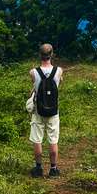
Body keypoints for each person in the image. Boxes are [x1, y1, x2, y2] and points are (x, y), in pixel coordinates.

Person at [28, 42, 63, 178]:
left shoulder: (33, 72)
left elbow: (34, 87)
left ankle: (38, 169)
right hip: (53, 111)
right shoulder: (59, 71)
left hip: (38, 111)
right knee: (53, 140)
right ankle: (53, 169)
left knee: (37, 140)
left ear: (40, 55)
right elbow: (60, 82)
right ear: (51, 54)